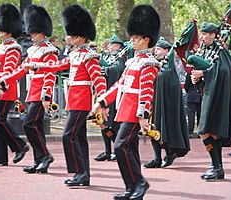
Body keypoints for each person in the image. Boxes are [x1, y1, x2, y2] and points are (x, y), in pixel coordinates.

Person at [25, 4, 107, 187]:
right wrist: (36, 66)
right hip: (74, 101)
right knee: (80, 138)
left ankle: (79, 172)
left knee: (68, 135)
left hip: (83, 102)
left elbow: (99, 80)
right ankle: (84, 175)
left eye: (72, 35)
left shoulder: (89, 56)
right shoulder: (75, 54)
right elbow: (56, 66)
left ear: (81, 37)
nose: (69, 38)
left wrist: (102, 101)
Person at [92, 5, 160, 200]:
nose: (132, 41)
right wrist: (101, 102)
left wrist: (143, 116)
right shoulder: (132, 62)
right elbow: (119, 85)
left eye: (136, 38)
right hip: (124, 109)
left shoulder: (149, 63)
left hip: (134, 112)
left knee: (120, 146)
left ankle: (139, 182)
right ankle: (131, 187)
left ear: (146, 39)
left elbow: (147, 92)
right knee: (130, 149)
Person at [0, 4, 59, 173]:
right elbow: (21, 70)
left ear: (42, 32)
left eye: (34, 31)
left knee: (28, 124)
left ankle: (45, 156)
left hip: (41, 93)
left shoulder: (50, 51)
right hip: (33, 92)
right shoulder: (32, 50)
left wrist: (47, 96)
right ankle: (40, 160)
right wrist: (5, 78)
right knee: (36, 126)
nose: (30, 34)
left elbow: (50, 74)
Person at [191, 22, 231, 181]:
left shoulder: (221, 51)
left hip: (217, 96)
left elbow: (224, 71)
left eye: (205, 34)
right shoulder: (205, 50)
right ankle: (217, 167)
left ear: (213, 35)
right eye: (202, 34)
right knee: (210, 132)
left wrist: (203, 73)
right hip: (207, 93)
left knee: (205, 131)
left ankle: (216, 166)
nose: (202, 37)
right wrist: (195, 76)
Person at [0, 3, 29, 167]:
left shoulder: (14, 48)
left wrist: (2, 83)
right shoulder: (1, 47)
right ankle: (0, 157)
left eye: (1, 28)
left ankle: (20, 146)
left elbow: (9, 69)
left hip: (6, 88)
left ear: (8, 30)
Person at [143, 37, 190, 169]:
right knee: (152, 129)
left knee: (163, 128)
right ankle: (157, 158)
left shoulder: (169, 67)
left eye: (158, 49)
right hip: (153, 103)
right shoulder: (153, 64)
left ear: (166, 51)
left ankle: (170, 152)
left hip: (166, 106)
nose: (155, 51)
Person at [94, 35, 126, 162]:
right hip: (103, 92)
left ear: (118, 46)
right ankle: (108, 150)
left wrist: (104, 69)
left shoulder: (119, 57)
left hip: (114, 95)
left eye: (112, 44)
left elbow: (117, 69)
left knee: (113, 124)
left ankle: (117, 149)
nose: (110, 47)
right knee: (103, 123)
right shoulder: (107, 56)